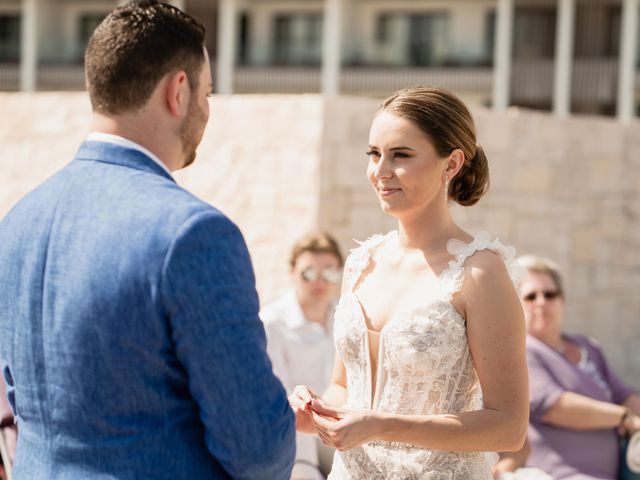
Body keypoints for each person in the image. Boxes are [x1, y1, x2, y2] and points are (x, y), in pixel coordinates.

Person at [0, 2, 295, 479]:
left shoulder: (17, 220)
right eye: (208, 91)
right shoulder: (193, 234)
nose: (206, 108)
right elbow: (256, 445)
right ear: (178, 90)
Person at [289, 86, 529, 479]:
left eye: (400, 155)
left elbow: (509, 426)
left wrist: (380, 425)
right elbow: (344, 388)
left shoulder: (481, 273)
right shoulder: (360, 263)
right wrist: (315, 410)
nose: (380, 171)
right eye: (374, 154)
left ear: (451, 165)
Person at [516, 254, 640, 479]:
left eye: (550, 294)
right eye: (531, 296)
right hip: (565, 474)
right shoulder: (523, 350)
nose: (541, 302)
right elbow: (553, 406)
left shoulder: (588, 346)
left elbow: (623, 394)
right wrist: (624, 418)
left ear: (562, 300)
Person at [262, 232, 344, 480]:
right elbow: (281, 400)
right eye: (309, 273)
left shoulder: (345, 316)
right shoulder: (271, 323)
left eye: (329, 272)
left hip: (341, 435)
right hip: (294, 447)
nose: (319, 282)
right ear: (293, 272)